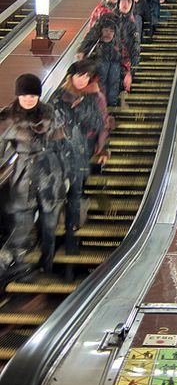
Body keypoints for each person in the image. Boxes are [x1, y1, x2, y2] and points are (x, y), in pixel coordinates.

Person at [0, 74, 73, 279]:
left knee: (49, 222)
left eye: (33, 95)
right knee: (21, 219)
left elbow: (62, 145)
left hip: (51, 170)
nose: (29, 99)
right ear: (18, 95)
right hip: (24, 173)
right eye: (25, 95)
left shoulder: (50, 114)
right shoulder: (7, 118)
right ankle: (20, 267)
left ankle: (47, 263)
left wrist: (66, 174)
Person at [51, 59, 111, 256]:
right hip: (59, 152)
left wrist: (103, 149)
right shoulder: (58, 97)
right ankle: (52, 243)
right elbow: (50, 124)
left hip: (81, 150)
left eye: (86, 76)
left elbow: (101, 123)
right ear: (71, 77)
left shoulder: (94, 97)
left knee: (75, 194)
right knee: (59, 193)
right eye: (79, 76)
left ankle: (71, 240)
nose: (83, 80)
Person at [79, 14, 131, 106]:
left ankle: (112, 103)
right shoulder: (98, 33)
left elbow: (126, 52)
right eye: (106, 30)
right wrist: (82, 50)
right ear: (101, 31)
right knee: (102, 77)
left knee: (114, 78)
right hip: (101, 58)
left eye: (111, 31)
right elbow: (90, 38)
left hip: (115, 60)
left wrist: (128, 71)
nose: (108, 34)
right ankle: (103, 103)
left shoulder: (119, 39)